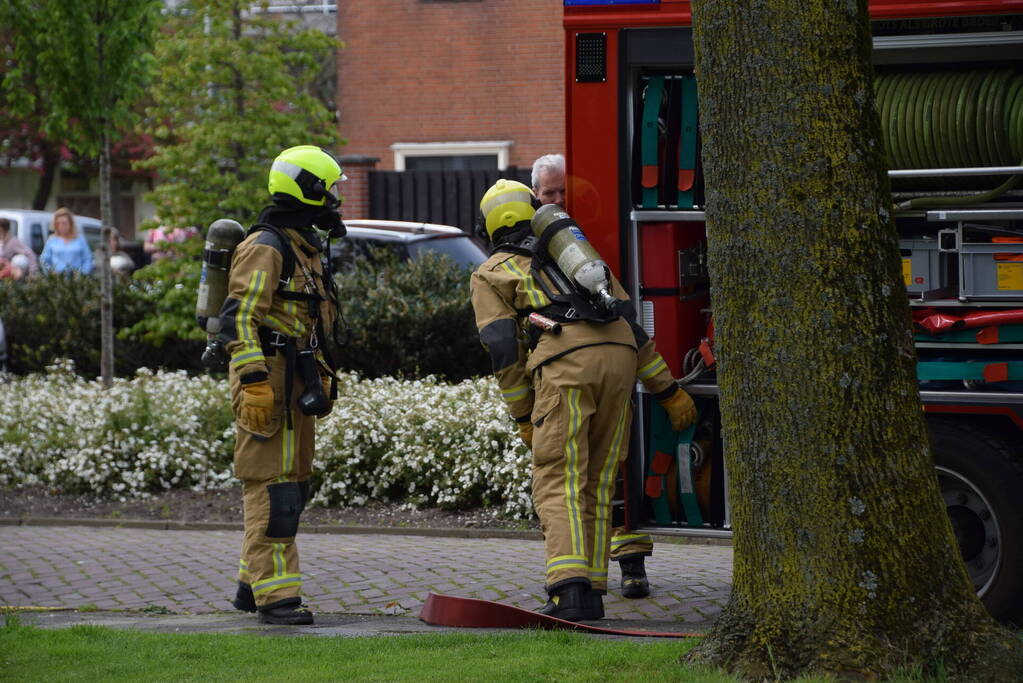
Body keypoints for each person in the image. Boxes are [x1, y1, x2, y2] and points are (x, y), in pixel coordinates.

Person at [470, 179, 696, 621]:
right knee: (599, 477)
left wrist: (523, 416)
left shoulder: (491, 271)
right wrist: (667, 391)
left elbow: (502, 349)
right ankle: (591, 591)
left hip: (566, 365)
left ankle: (568, 592)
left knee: (559, 478)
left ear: (489, 226)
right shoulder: (579, 256)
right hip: (620, 362)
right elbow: (631, 325)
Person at [216, 145, 345, 626]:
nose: (335, 200)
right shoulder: (267, 246)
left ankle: (253, 586)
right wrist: (252, 381)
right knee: (273, 489)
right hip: (267, 380)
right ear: (307, 189)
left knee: (293, 486)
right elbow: (239, 321)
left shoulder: (298, 244)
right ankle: (276, 599)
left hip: (294, 380)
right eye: (329, 190)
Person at [532, 153, 656, 599]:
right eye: (551, 194)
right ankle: (592, 581)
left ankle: (582, 582)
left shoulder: (577, 245)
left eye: (565, 192)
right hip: (615, 366)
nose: (560, 200)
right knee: (592, 478)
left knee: (575, 477)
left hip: (584, 369)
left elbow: (628, 316)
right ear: (535, 198)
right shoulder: (554, 250)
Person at [40, 207, 93, 275]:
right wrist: (51, 273)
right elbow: (44, 260)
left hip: (77, 278)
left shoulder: (80, 239)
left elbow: (87, 258)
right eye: (58, 223)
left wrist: (83, 274)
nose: (61, 226)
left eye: (64, 223)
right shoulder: (52, 239)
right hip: (58, 279)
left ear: (70, 224)